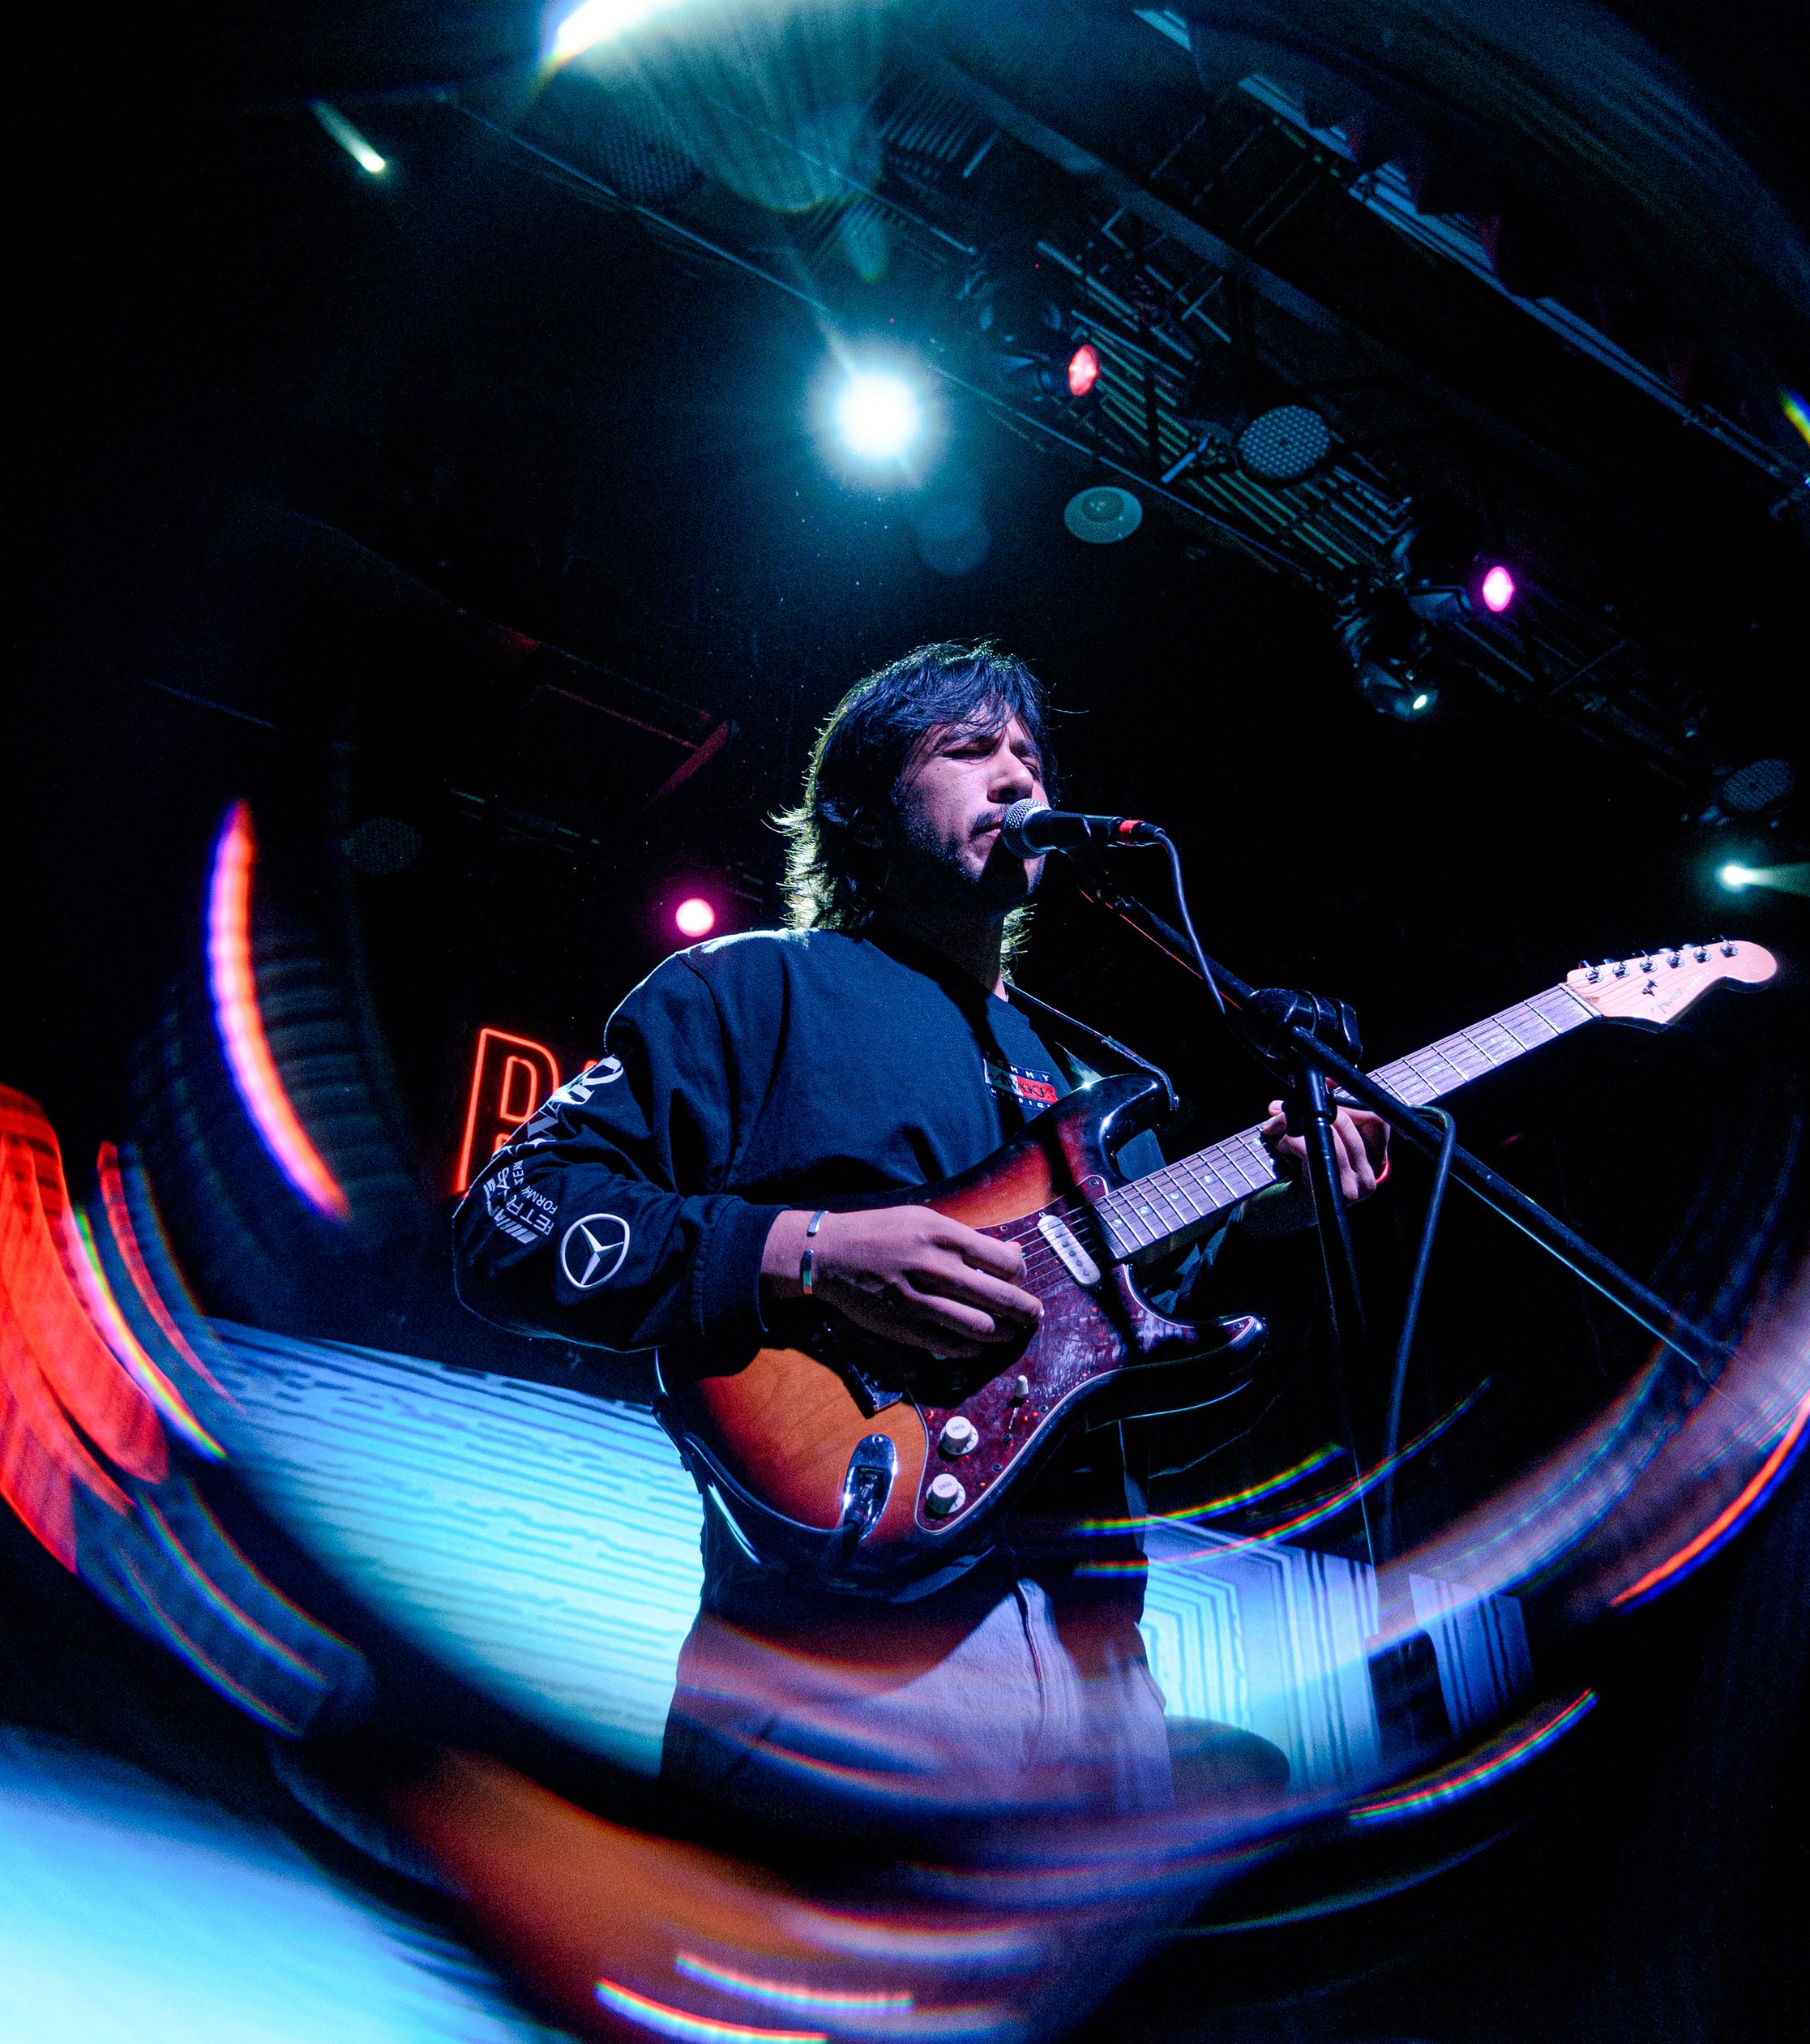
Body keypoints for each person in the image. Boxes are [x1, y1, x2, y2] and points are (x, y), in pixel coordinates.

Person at [451, 641, 1384, 1836]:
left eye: (1030, 755)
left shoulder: (1098, 1081)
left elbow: (1161, 1366)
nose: (1016, 778)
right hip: (841, 1675)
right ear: (862, 808)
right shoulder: (749, 992)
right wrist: (810, 1249)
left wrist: (1273, 1212)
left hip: (1105, 1668)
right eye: (968, 749)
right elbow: (511, 1221)